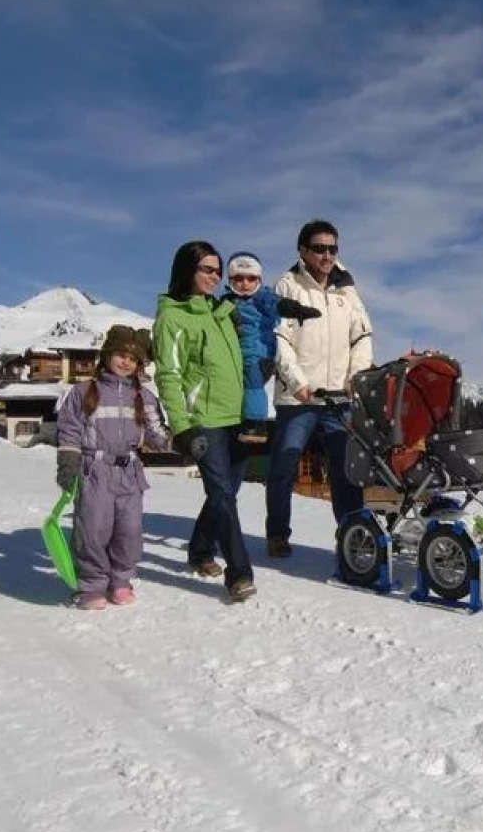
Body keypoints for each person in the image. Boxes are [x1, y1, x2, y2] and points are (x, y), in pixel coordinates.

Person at [152, 240, 257, 603]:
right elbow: (168, 375)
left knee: (225, 493)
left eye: (218, 270)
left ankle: (199, 550)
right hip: (204, 419)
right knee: (223, 494)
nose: (215, 277)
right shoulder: (173, 317)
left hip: (235, 416)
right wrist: (182, 427)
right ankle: (239, 574)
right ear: (187, 270)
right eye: (207, 269)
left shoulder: (221, 312)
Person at [265, 219, 375, 557]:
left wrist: (356, 378)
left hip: (339, 399)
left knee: (347, 470)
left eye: (332, 249)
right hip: (298, 398)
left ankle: (352, 536)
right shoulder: (287, 286)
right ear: (302, 251)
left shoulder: (347, 290)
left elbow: (362, 336)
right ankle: (278, 535)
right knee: (284, 466)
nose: (327, 255)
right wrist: (298, 383)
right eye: (319, 249)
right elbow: (279, 339)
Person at [54, 325, 171, 610]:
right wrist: (68, 464)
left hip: (129, 472)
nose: (126, 362)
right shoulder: (84, 391)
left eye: (133, 359)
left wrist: (182, 439)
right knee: (93, 529)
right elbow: (69, 430)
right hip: (94, 470)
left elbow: (157, 434)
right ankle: (92, 585)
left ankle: (120, 581)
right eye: (120, 355)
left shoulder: (144, 397)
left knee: (129, 531)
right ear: (107, 355)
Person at [220, 251, 321, 443]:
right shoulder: (226, 302)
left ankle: (255, 423)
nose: (245, 283)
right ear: (230, 280)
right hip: (236, 354)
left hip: (258, 354)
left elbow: (276, 304)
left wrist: (296, 309)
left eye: (251, 279)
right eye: (239, 278)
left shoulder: (262, 297)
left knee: (253, 383)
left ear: (258, 280)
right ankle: (236, 419)